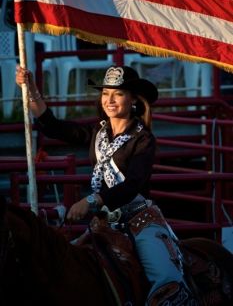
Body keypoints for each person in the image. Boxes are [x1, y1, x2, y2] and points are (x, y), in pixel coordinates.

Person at [16, 65, 198, 305]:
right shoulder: (97, 132)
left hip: (140, 220)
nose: (109, 100)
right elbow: (53, 126)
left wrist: (92, 200)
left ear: (132, 99)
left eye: (118, 93)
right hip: (104, 222)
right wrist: (31, 90)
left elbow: (133, 183)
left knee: (167, 281)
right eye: (105, 93)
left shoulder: (143, 139)